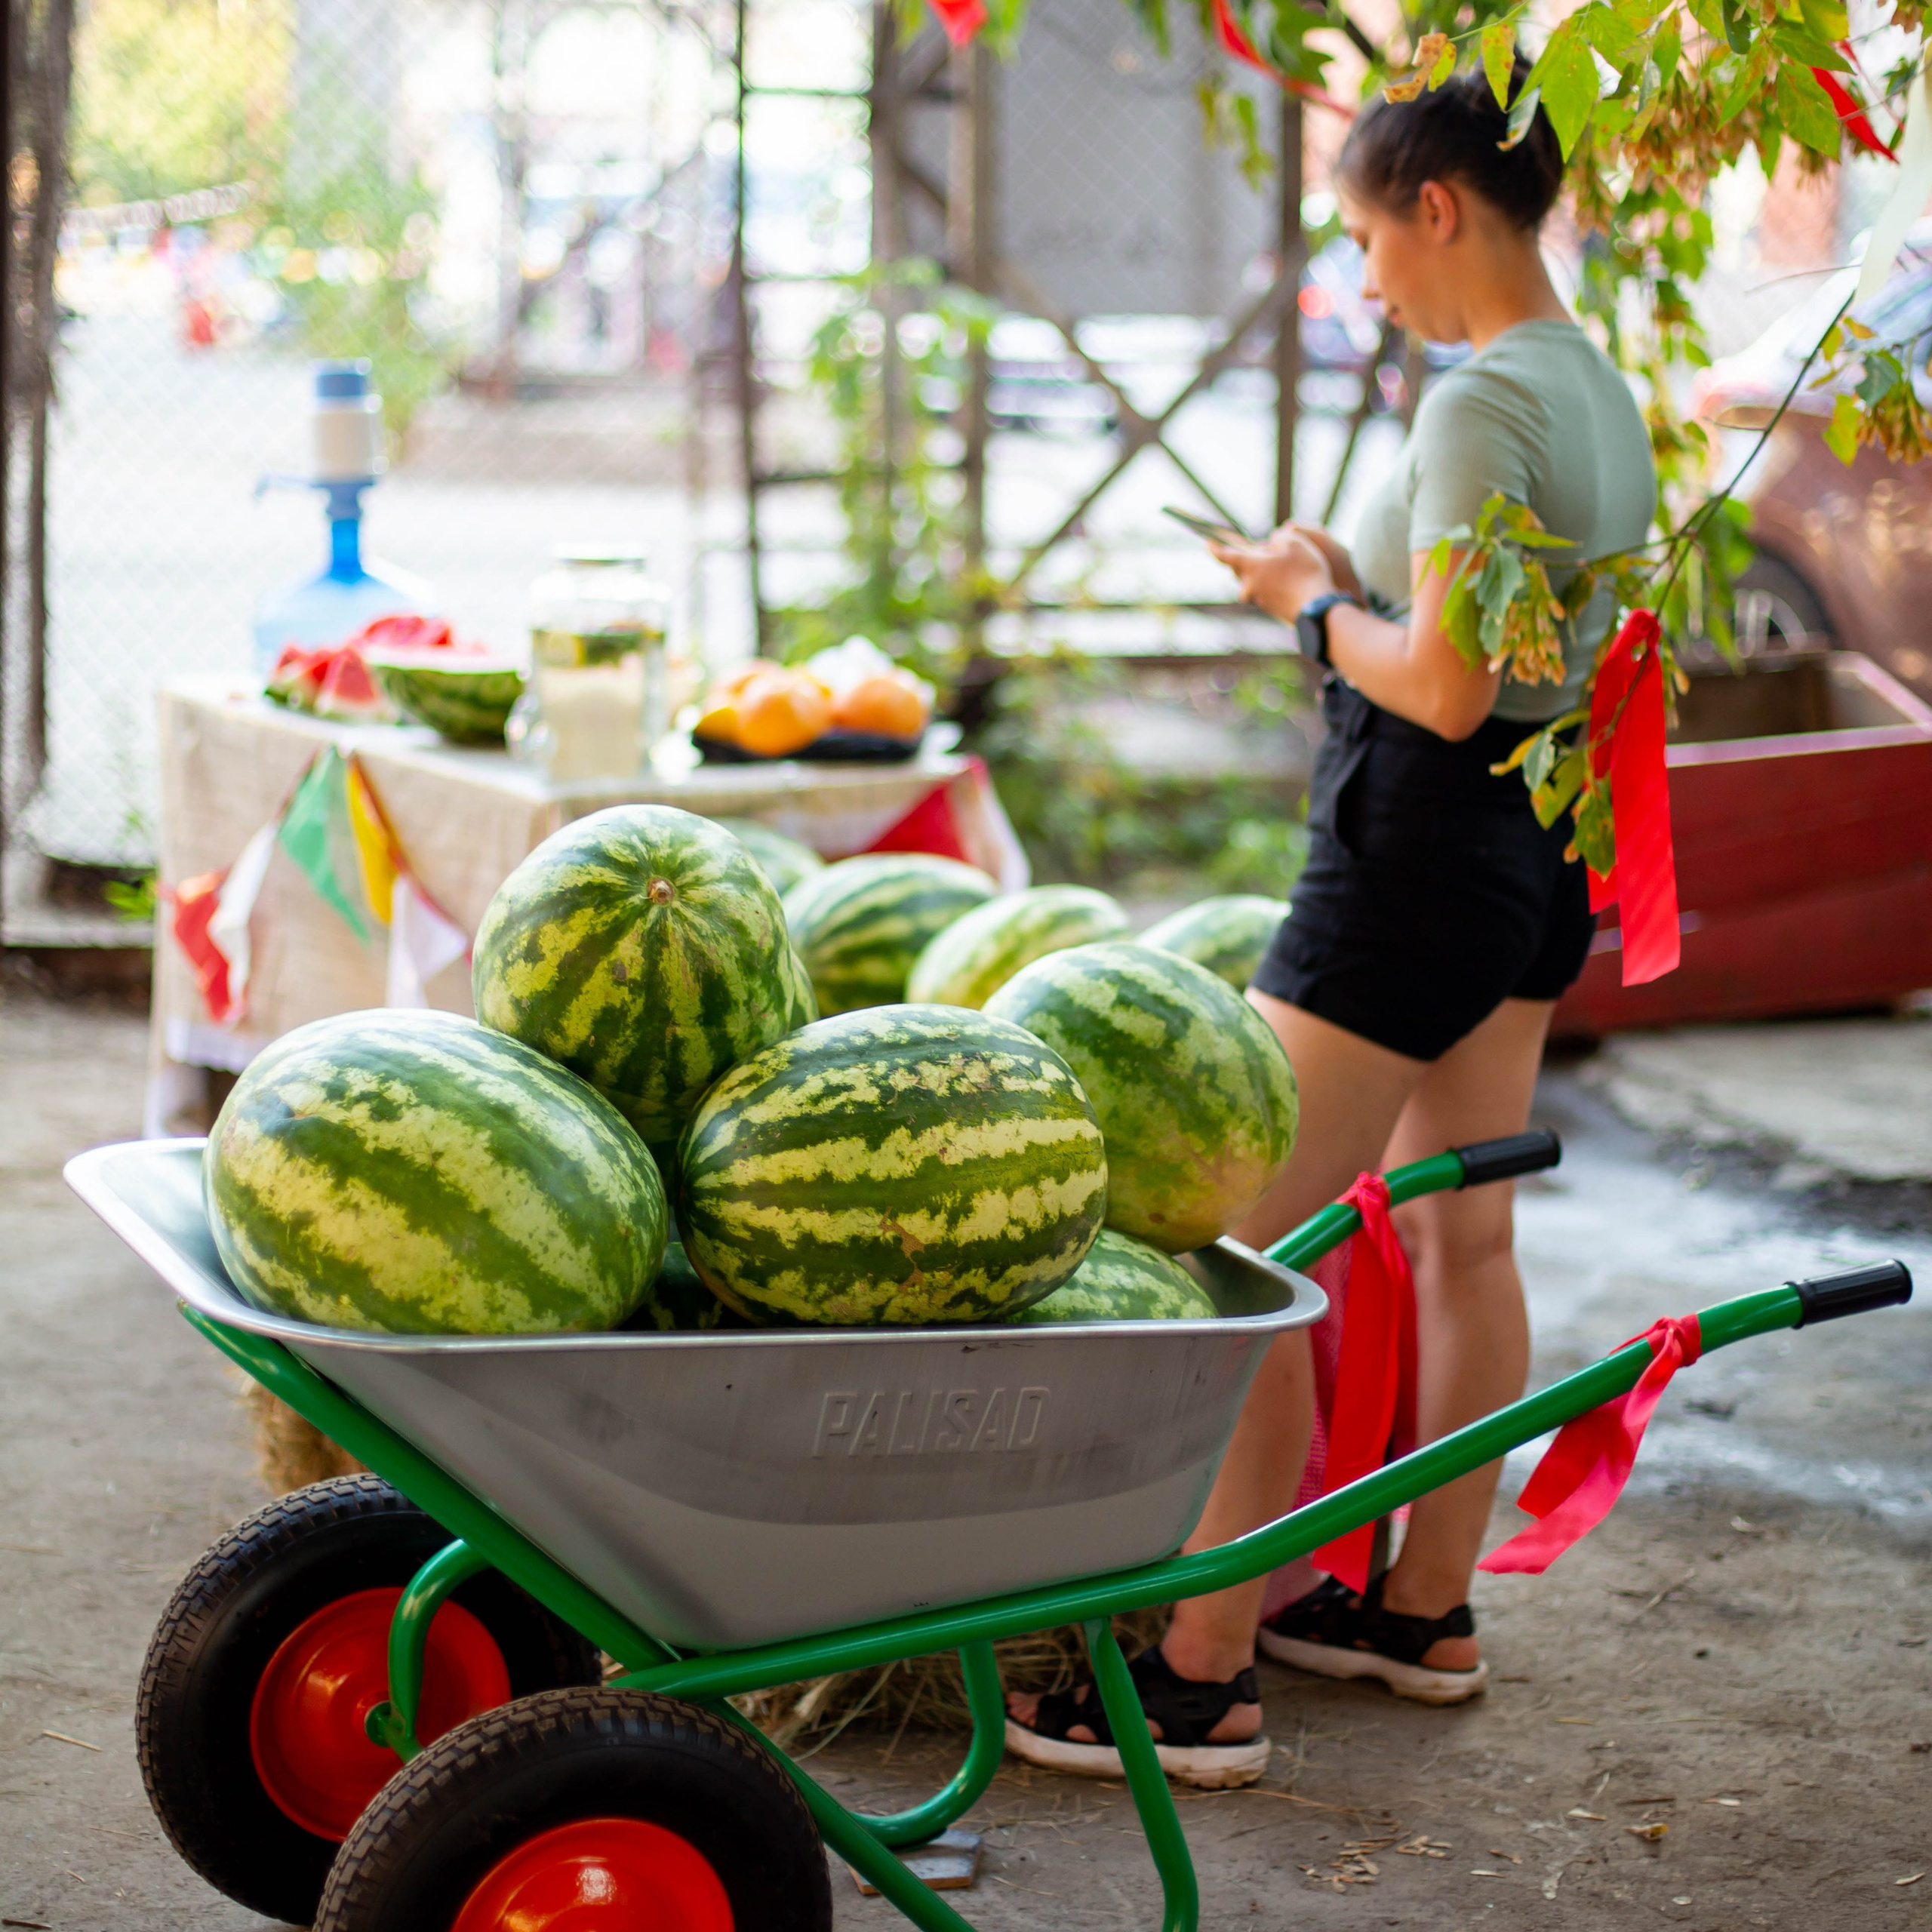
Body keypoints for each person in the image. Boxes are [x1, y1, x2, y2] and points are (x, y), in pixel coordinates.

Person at [1005, 59, 1657, 1787]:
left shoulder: (1466, 403)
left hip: (1417, 848)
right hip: (1537, 849)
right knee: (1465, 1239)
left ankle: (1197, 1666)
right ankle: (1415, 1610)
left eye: (1367, 234)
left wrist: (1307, 607)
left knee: (1239, 1252)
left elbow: (1438, 686)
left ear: (1434, 208)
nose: (1364, 276)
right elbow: (1508, 658)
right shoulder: (1595, 388)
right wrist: (1345, 582)